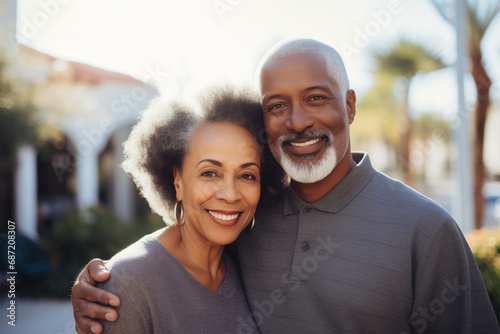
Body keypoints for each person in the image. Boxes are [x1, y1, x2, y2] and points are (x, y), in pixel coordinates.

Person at [72, 39, 500, 333]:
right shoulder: (248, 223)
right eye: (277, 106)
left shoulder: (426, 229)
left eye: (316, 97)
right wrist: (108, 286)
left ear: (349, 106)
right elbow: (174, 264)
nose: (297, 121)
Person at [79, 86, 285, 333]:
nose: (230, 194)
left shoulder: (248, 266)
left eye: (247, 175)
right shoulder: (128, 283)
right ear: (178, 181)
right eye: (210, 173)